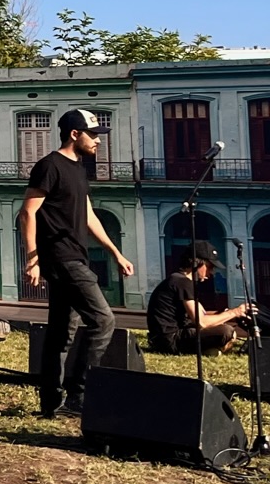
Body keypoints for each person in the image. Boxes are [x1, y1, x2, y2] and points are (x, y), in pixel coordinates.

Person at [19, 108, 135, 417]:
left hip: (74, 255)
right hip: (62, 259)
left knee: (61, 331)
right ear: (74, 134)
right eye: (93, 135)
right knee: (103, 320)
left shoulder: (79, 169)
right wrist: (33, 260)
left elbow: (89, 216)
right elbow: (28, 213)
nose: (98, 141)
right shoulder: (49, 166)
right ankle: (79, 394)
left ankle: (50, 402)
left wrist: (115, 251)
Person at [146, 244, 246, 356]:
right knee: (226, 331)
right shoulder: (183, 282)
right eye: (210, 266)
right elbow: (201, 321)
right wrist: (234, 312)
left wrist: (229, 313)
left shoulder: (179, 280)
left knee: (226, 330)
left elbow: (202, 313)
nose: (212, 272)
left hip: (164, 338)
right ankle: (209, 349)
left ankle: (209, 350)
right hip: (170, 339)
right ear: (196, 263)